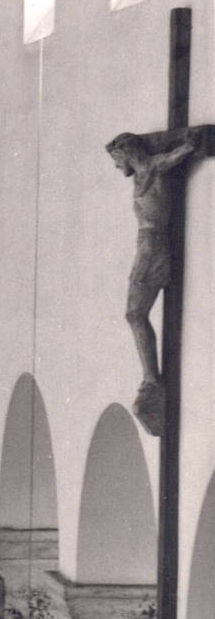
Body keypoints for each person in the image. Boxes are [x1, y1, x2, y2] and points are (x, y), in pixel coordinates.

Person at [105, 126, 205, 433]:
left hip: (152, 245)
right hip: (147, 244)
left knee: (134, 313)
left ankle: (151, 380)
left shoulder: (150, 166)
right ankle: (151, 380)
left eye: (116, 158)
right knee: (134, 314)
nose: (115, 166)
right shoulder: (141, 174)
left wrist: (188, 146)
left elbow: (173, 157)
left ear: (127, 153)